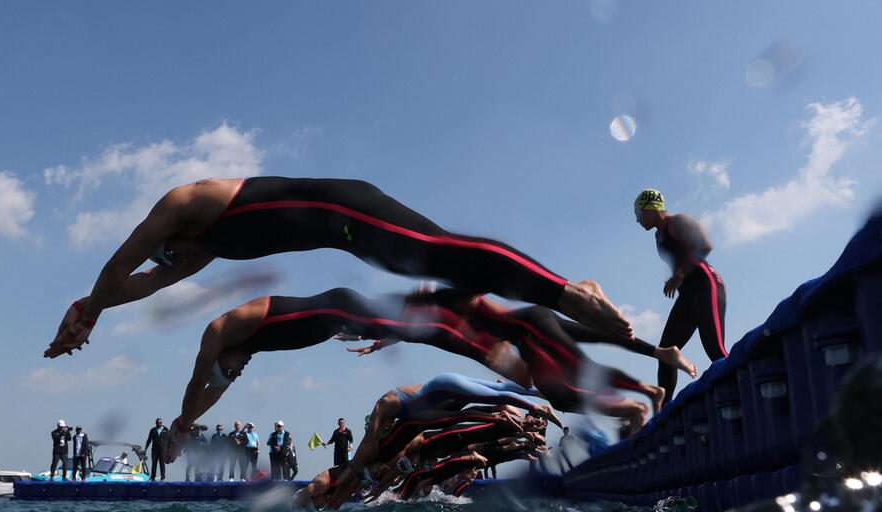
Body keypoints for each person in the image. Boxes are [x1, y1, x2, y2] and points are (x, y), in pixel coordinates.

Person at [44, 177, 634, 360]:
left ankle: (566, 292)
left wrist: (90, 311)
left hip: (347, 208)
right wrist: (84, 310)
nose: (173, 263)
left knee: (441, 252)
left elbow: (121, 261)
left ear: (167, 236)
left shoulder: (185, 202)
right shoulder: (197, 250)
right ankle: (563, 293)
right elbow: (140, 282)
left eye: (169, 252)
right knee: (444, 268)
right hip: (349, 239)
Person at [160, 288, 667, 463]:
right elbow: (210, 395)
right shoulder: (236, 353)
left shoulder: (221, 333)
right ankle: (521, 363)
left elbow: (195, 388)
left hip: (342, 306)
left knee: (437, 325)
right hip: (347, 321)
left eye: (233, 368)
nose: (239, 371)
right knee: (432, 332)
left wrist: (183, 426)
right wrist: (188, 424)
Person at [634, 188, 728, 402]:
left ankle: (741, 388)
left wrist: (680, 275)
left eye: (639, 214)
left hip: (707, 285)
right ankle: (665, 411)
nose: (638, 221)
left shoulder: (677, 221)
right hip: (688, 294)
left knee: (715, 349)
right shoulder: (658, 235)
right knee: (666, 353)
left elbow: (705, 245)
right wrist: (679, 279)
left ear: (650, 208)